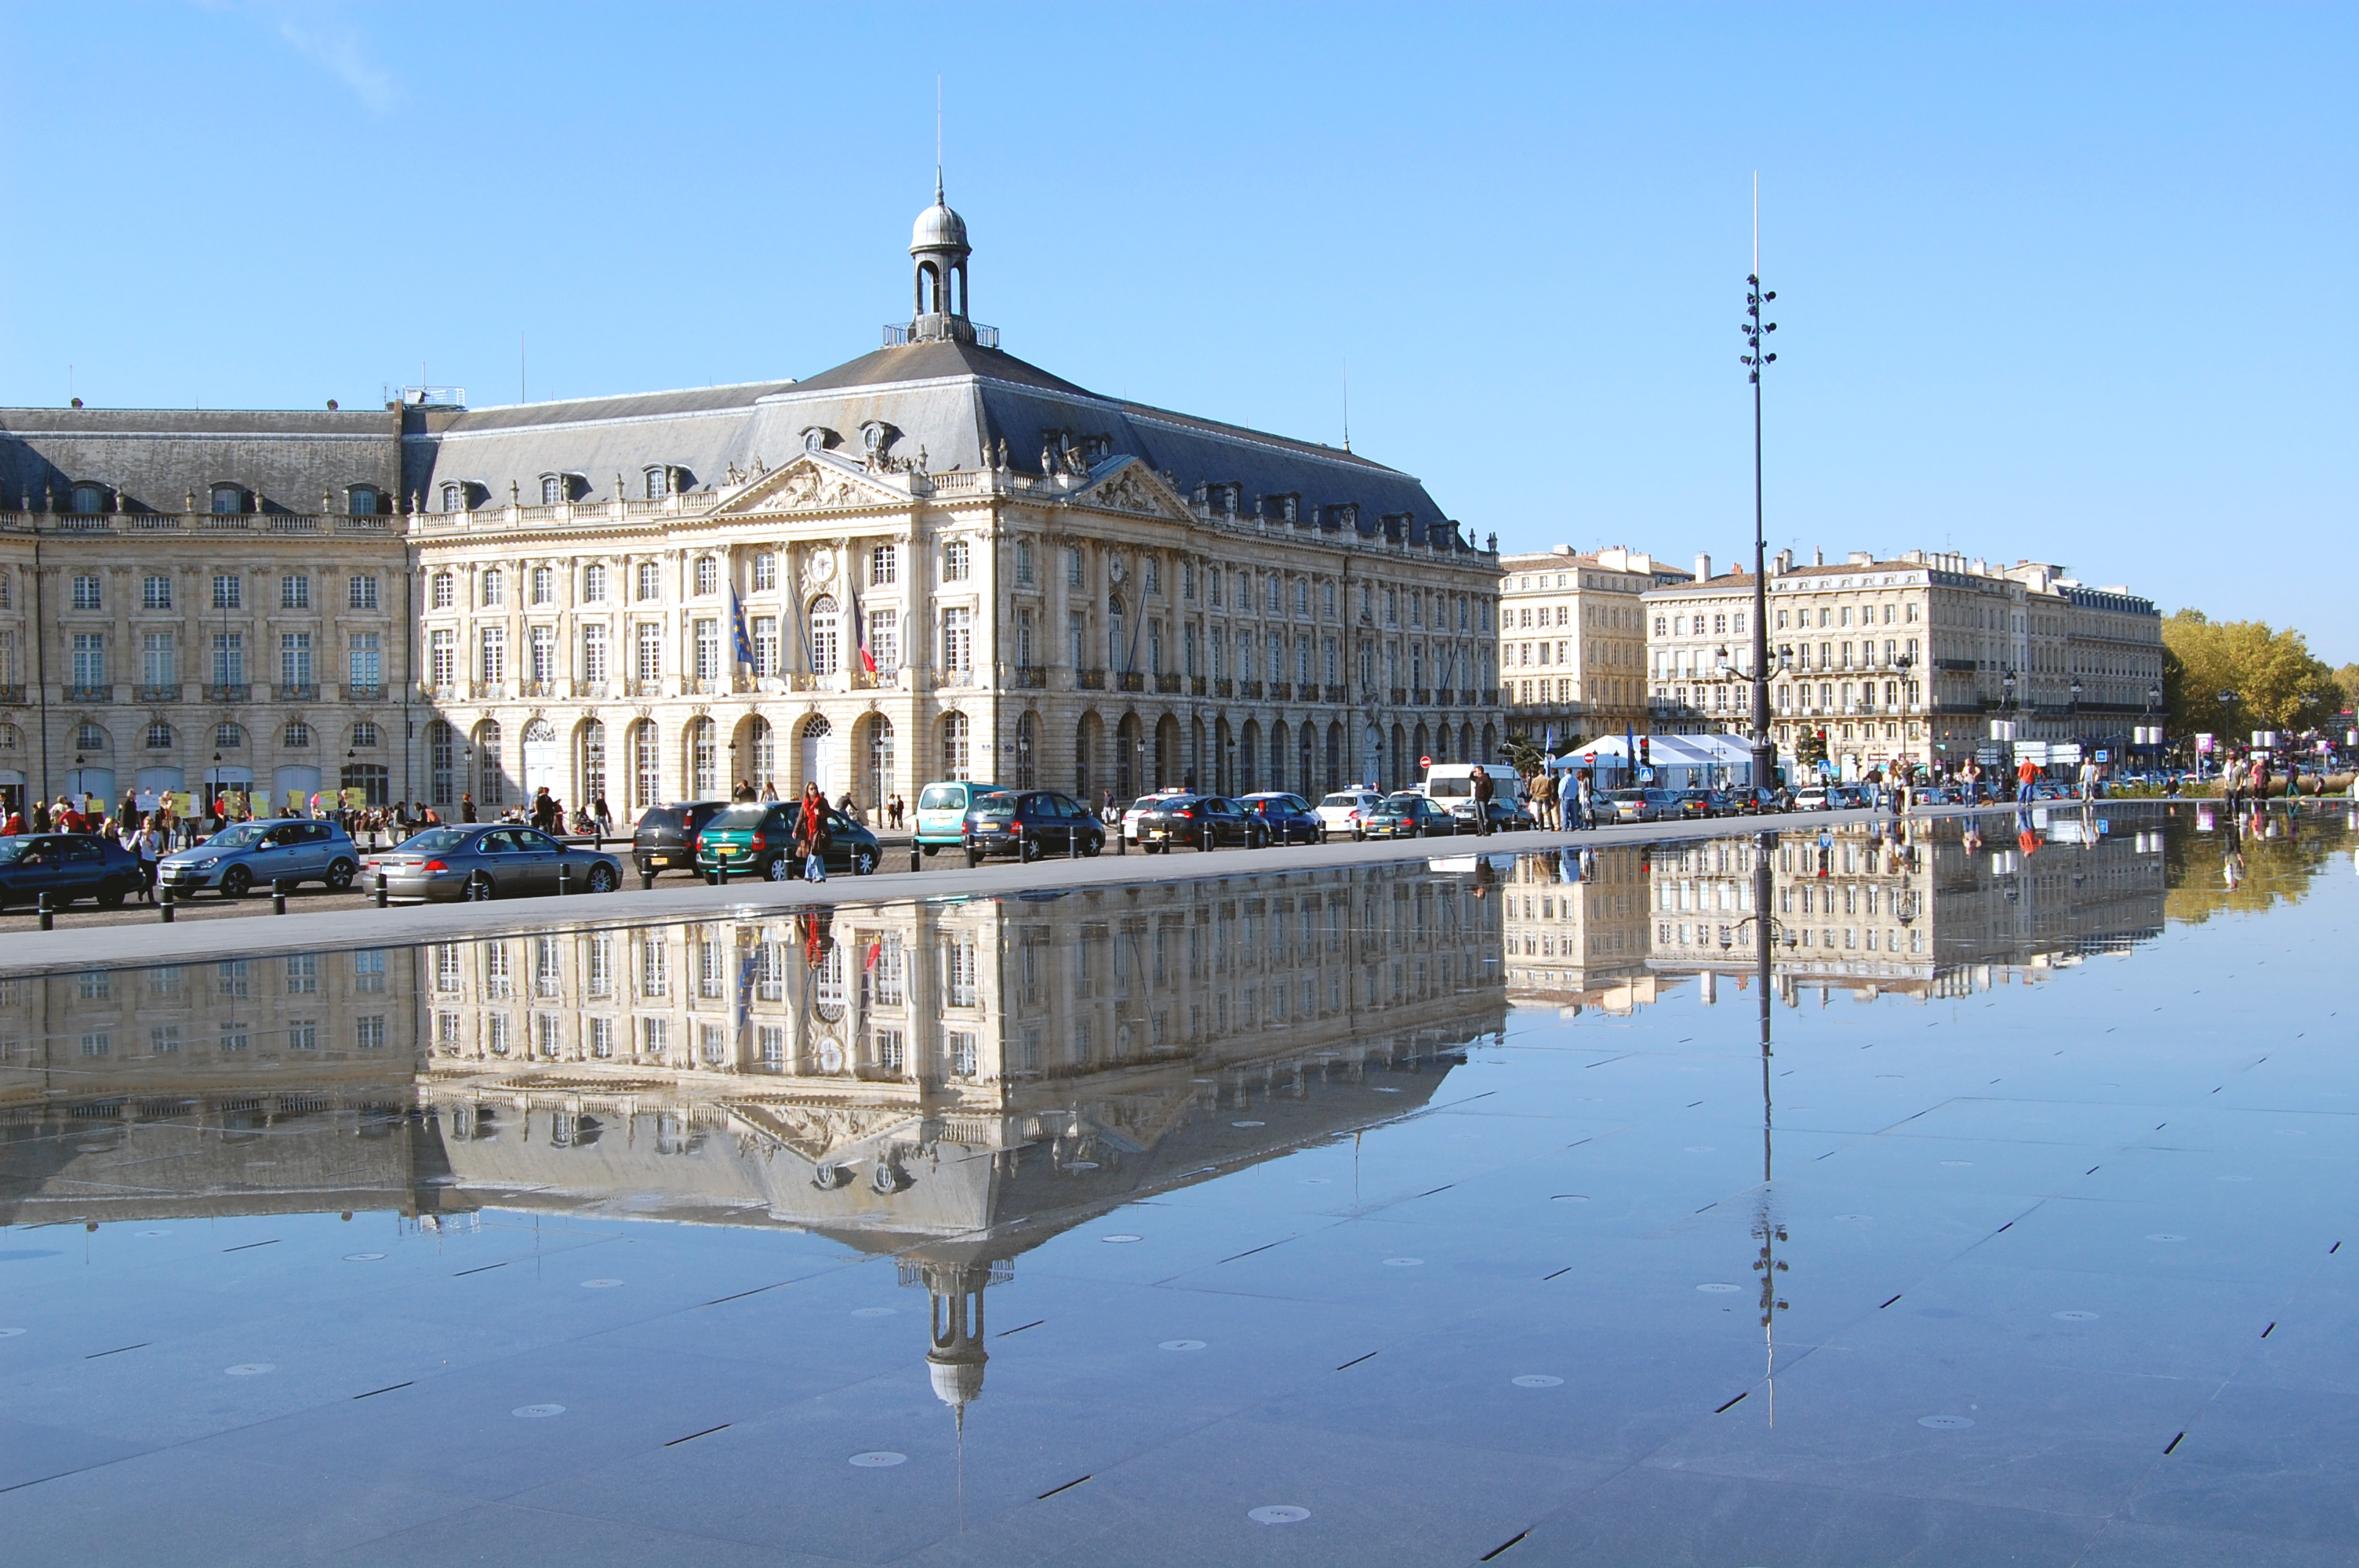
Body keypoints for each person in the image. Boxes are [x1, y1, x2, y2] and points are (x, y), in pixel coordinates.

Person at [796, 782, 831, 882]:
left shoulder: (822, 801)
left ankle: (809, 875)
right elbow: (801, 818)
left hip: (819, 830)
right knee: (817, 853)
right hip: (808, 831)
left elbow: (830, 813)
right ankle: (821, 876)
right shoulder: (805, 802)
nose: (814, 790)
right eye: (811, 789)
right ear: (807, 790)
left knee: (814, 851)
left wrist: (821, 814)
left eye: (815, 788)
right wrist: (796, 830)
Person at [1470, 765, 1494, 836]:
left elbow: (1491, 789)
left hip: (1483, 800)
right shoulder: (1478, 779)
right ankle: (1481, 831)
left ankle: (1487, 831)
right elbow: (1471, 778)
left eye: (1477, 771)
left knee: (1485, 815)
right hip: (1477, 800)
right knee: (1479, 816)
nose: (1476, 773)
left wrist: (1487, 797)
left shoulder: (1486, 779)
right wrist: (1472, 772)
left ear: (1480, 771)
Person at [1558, 764, 1581, 832]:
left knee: (1565, 813)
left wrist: (1560, 796)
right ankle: (1573, 826)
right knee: (1572, 813)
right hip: (1573, 798)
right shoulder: (1575, 779)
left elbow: (1562, 789)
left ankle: (1564, 827)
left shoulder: (1565, 779)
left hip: (1566, 798)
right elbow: (1577, 788)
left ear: (1566, 772)